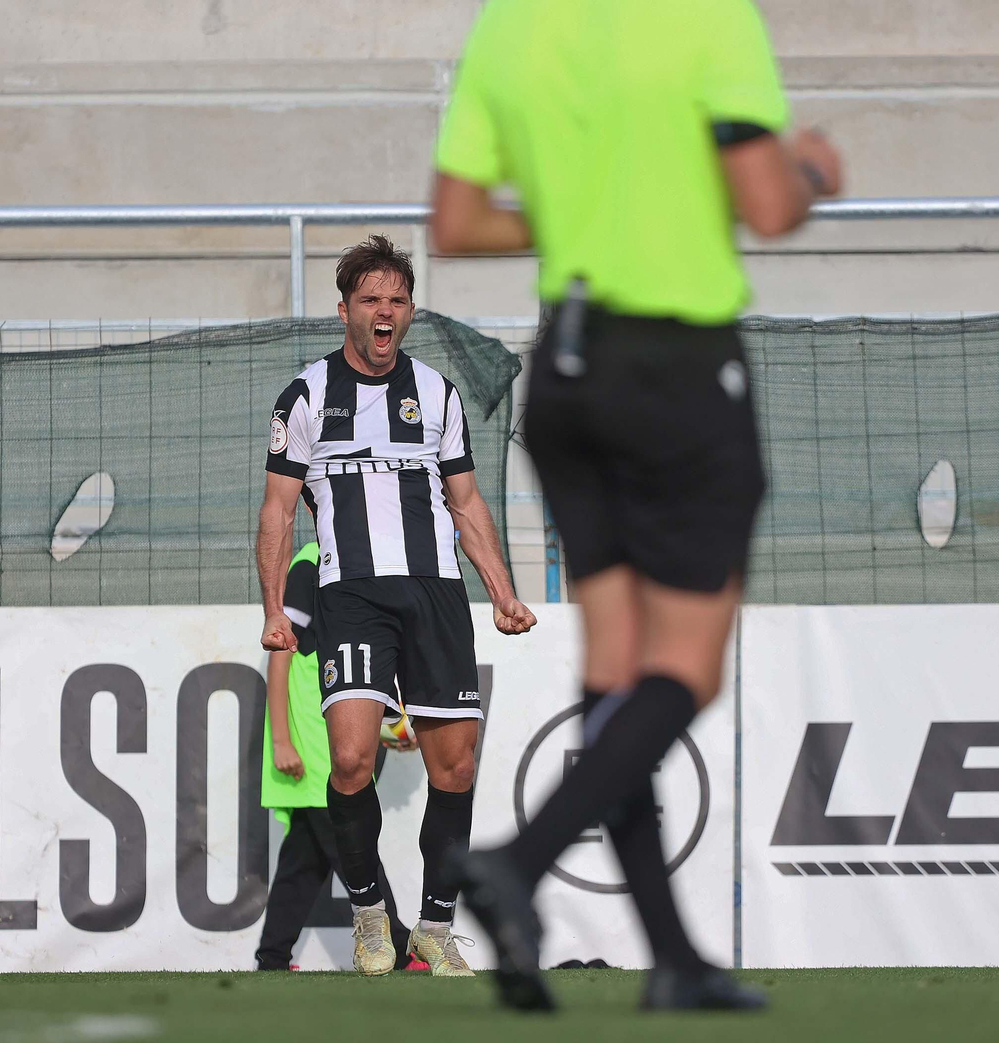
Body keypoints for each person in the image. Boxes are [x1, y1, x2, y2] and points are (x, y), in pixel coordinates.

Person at [431, 0, 843, 1014]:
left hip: (566, 373)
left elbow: (456, 221)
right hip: (678, 369)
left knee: (615, 679)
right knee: (681, 673)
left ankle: (671, 955)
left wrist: (580, 211)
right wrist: (818, 170)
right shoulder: (705, 18)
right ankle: (517, 860)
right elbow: (769, 204)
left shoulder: (510, 26)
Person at [256, 236, 537, 977]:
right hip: (351, 593)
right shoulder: (308, 395)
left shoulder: (437, 394)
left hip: (435, 591)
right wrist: (274, 607)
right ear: (345, 309)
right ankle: (370, 915)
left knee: (456, 766)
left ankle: (437, 928)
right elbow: (278, 514)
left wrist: (502, 591)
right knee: (349, 759)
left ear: (410, 311)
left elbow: (466, 501)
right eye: (371, 300)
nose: (386, 312)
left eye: (398, 300)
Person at [256, 539, 420, 973]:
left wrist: (385, 725)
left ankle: (272, 959)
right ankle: (400, 950)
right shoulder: (312, 563)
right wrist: (282, 741)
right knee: (356, 842)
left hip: (334, 732)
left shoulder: (358, 561)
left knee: (304, 862)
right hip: (314, 740)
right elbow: (281, 650)